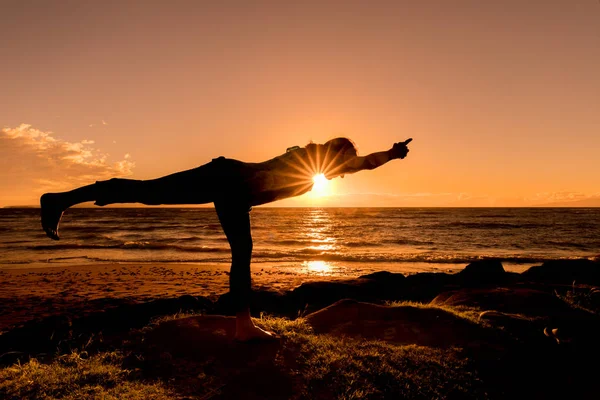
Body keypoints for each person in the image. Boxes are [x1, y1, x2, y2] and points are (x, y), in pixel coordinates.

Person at [40, 137, 412, 341]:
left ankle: (243, 326)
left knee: (240, 251)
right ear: (338, 154)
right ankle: (59, 200)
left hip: (235, 194)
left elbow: (348, 163)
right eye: (346, 162)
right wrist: (391, 155)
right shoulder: (315, 158)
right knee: (148, 191)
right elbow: (360, 163)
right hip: (224, 179)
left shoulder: (309, 161)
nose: (345, 172)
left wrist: (384, 157)